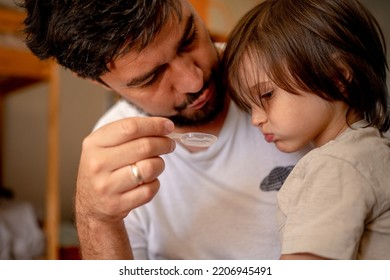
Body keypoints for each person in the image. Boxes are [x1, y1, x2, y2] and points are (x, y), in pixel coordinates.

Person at [21, 0, 308, 259]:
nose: (193, 82)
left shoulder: (292, 78)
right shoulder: (112, 160)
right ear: (95, 80)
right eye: (152, 77)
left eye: (188, 39)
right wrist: (97, 220)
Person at [222, 0, 390, 259]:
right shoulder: (369, 151)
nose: (256, 119)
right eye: (248, 106)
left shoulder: (335, 165)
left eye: (266, 94)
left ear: (339, 77)